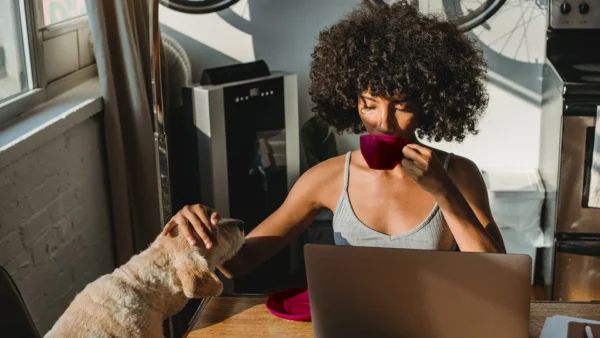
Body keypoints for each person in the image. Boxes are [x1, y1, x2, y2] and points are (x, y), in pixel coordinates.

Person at [162, 0, 506, 278]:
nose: (383, 124)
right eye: (369, 106)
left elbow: (498, 275)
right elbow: (239, 263)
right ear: (351, 101)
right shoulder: (326, 179)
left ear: (429, 106)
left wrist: (443, 190)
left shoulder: (457, 173)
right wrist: (199, 231)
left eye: (401, 106)